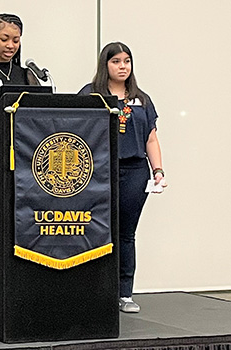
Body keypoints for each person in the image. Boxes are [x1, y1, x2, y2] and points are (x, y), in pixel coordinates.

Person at [78, 42, 167, 313]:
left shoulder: (142, 98)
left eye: (127, 61)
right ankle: (93, 290)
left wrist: (159, 170)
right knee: (96, 230)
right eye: (116, 61)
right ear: (105, 65)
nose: (122, 66)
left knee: (126, 234)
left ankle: (124, 293)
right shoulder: (91, 94)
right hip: (99, 172)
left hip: (135, 172)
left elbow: (151, 138)